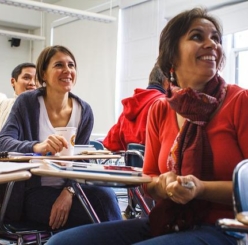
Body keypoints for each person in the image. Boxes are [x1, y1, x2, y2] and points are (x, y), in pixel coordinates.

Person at [46, 8, 248, 245]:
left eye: (215, 38)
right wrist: (164, 186)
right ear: (172, 56)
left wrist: (201, 188)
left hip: (229, 228)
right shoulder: (161, 109)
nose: (211, 44)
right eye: (197, 36)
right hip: (170, 221)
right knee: (61, 243)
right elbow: (149, 180)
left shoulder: (239, 101)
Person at [0, 45, 122, 230]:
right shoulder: (27, 102)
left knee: (106, 196)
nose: (67, 70)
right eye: (59, 65)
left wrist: (68, 192)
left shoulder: (84, 110)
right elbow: (1, 143)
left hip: (72, 188)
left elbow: (82, 160)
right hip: (33, 191)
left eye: (71, 65)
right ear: (43, 75)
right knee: (93, 218)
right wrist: (37, 146)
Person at [103, 64, 168, 151]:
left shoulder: (131, 105)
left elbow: (110, 143)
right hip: (156, 163)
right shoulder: (165, 104)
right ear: (167, 81)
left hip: (130, 164)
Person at [0, 62, 37, 147]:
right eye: (26, 78)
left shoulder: (43, 107)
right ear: (13, 81)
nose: (32, 83)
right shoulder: (3, 104)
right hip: (1, 156)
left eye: (36, 79)